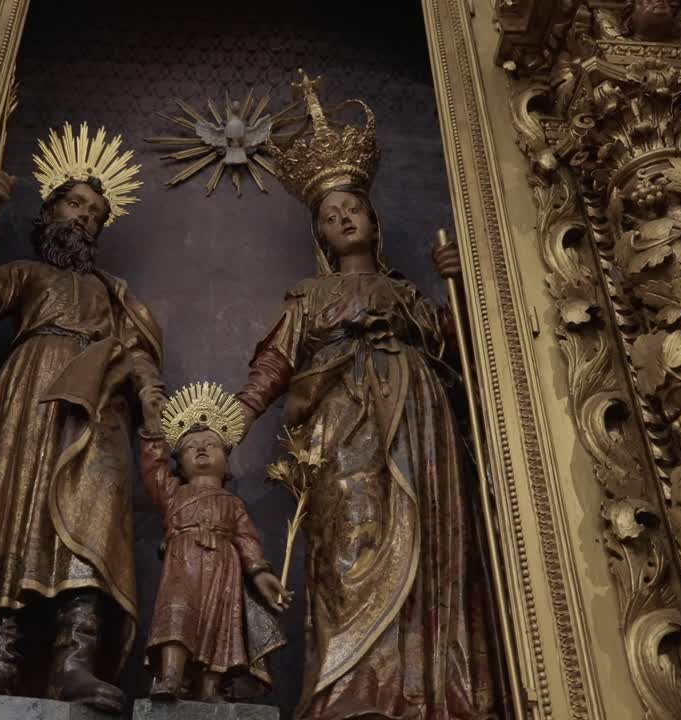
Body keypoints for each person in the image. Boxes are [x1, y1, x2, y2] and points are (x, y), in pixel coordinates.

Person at [235, 73, 502, 719]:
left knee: (434, 548)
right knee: (351, 550)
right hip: (342, 427)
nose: (343, 217)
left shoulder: (409, 294)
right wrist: (233, 417)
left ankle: (428, 693)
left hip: (419, 418)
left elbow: (472, 355)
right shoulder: (311, 296)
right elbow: (275, 360)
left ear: (373, 218)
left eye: (352, 205)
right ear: (321, 238)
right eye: (329, 216)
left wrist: (462, 291)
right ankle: (350, 697)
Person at [0, 123, 164, 714]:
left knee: (92, 520)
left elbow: (139, 351)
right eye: (75, 205)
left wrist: (150, 397)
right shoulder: (31, 275)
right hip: (26, 395)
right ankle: (2, 659)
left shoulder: (113, 293)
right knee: (12, 514)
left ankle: (75, 659)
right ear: (49, 210)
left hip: (94, 405)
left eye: (95, 213)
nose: (85, 219)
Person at [139, 383, 288, 703]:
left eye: (211, 444)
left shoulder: (233, 504)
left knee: (219, 626)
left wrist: (261, 575)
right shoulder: (173, 494)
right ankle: (171, 677)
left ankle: (210, 687)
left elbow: (247, 539)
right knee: (176, 614)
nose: (202, 450)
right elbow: (153, 469)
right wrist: (153, 427)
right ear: (180, 460)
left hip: (224, 568)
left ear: (227, 459)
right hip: (183, 562)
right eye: (192, 446)